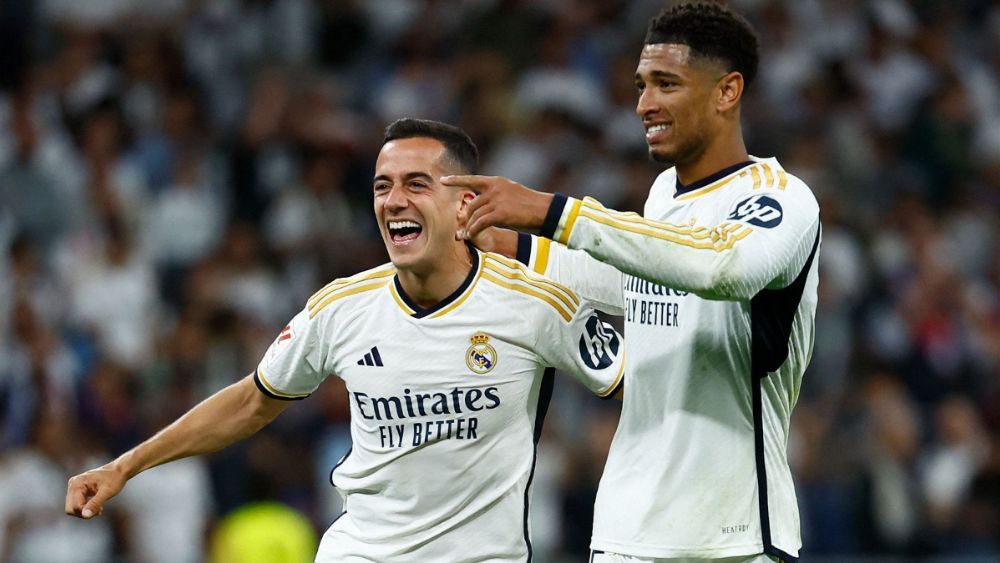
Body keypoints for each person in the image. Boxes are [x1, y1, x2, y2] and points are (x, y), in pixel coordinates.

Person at [65, 118, 625, 562]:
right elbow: (252, 400)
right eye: (383, 186)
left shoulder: (533, 302)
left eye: (416, 184)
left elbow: (634, 382)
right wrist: (124, 466)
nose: (393, 200)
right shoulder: (341, 307)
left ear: (464, 204)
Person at [445, 3, 819, 562]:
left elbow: (722, 269)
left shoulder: (780, 198)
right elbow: (639, 280)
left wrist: (553, 212)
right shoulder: (664, 196)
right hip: (626, 532)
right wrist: (513, 246)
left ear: (727, 91)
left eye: (666, 84)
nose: (644, 104)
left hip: (731, 537)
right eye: (641, 86)